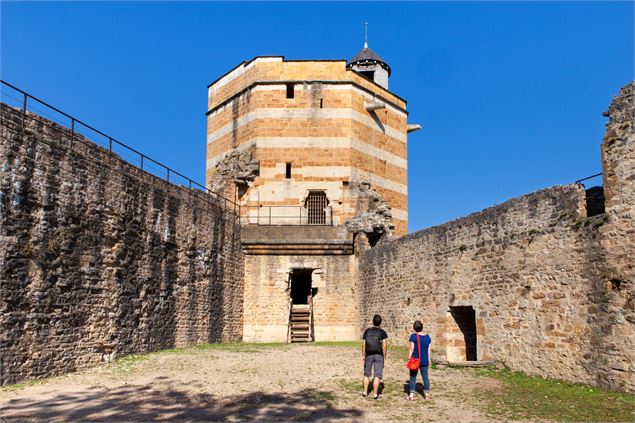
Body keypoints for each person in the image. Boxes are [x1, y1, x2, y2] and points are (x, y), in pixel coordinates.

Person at [362, 314, 388, 400]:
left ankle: (365, 392)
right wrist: (384, 355)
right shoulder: (382, 332)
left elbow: (363, 344)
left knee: (366, 374)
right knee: (377, 375)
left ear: (372, 322)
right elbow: (384, 345)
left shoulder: (367, 331)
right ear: (380, 323)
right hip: (378, 355)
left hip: (368, 354)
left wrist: (363, 355)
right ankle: (375, 394)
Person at [407, 320, 432, 400]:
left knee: (413, 376)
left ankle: (411, 395)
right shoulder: (428, 337)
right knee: (425, 377)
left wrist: (409, 358)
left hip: (415, 359)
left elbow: (411, 348)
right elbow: (429, 350)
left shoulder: (413, 336)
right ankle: (427, 394)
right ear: (422, 327)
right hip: (424, 360)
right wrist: (429, 359)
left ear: (414, 328)